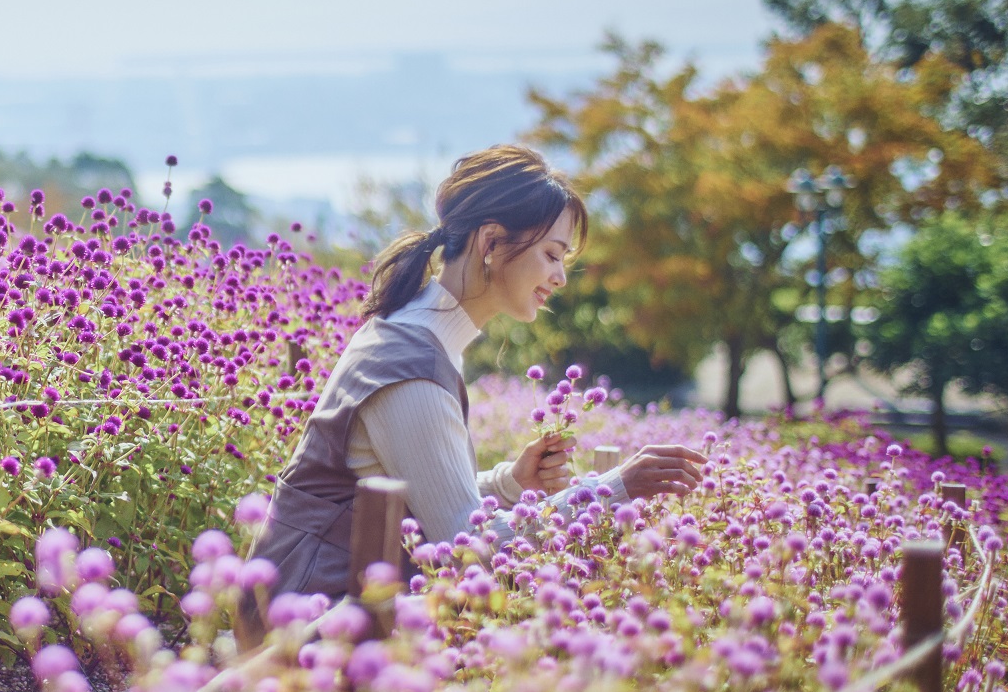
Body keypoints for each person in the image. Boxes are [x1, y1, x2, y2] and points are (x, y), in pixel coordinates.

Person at [250, 144, 706, 614]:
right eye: (552, 255)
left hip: (321, 607)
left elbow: (412, 493)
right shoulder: (412, 368)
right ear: (490, 243)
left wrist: (510, 483)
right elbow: (468, 550)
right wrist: (615, 489)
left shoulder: (416, 337)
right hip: (304, 630)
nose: (561, 278)